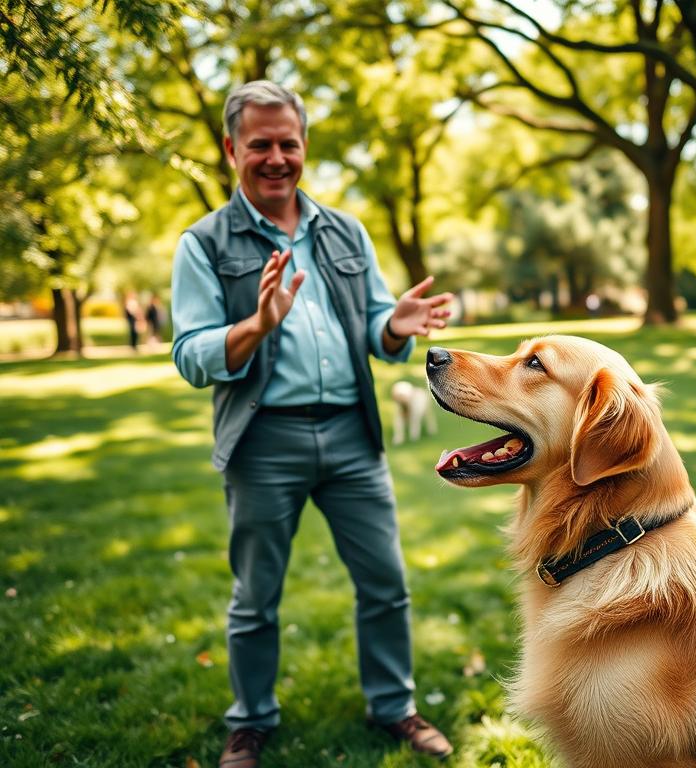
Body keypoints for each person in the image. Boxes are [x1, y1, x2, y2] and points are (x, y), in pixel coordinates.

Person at [170, 81, 455, 768]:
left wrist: (394, 325)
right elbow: (191, 354)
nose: (276, 158)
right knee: (256, 596)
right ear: (231, 148)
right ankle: (250, 721)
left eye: (288, 144)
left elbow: (375, 325)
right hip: (264, 441)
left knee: (385, 583)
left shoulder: (345, 230)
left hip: (354, 435)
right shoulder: (204, 243)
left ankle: (394, 706)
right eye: (259, 145)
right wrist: (255, 325)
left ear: (304, 147)